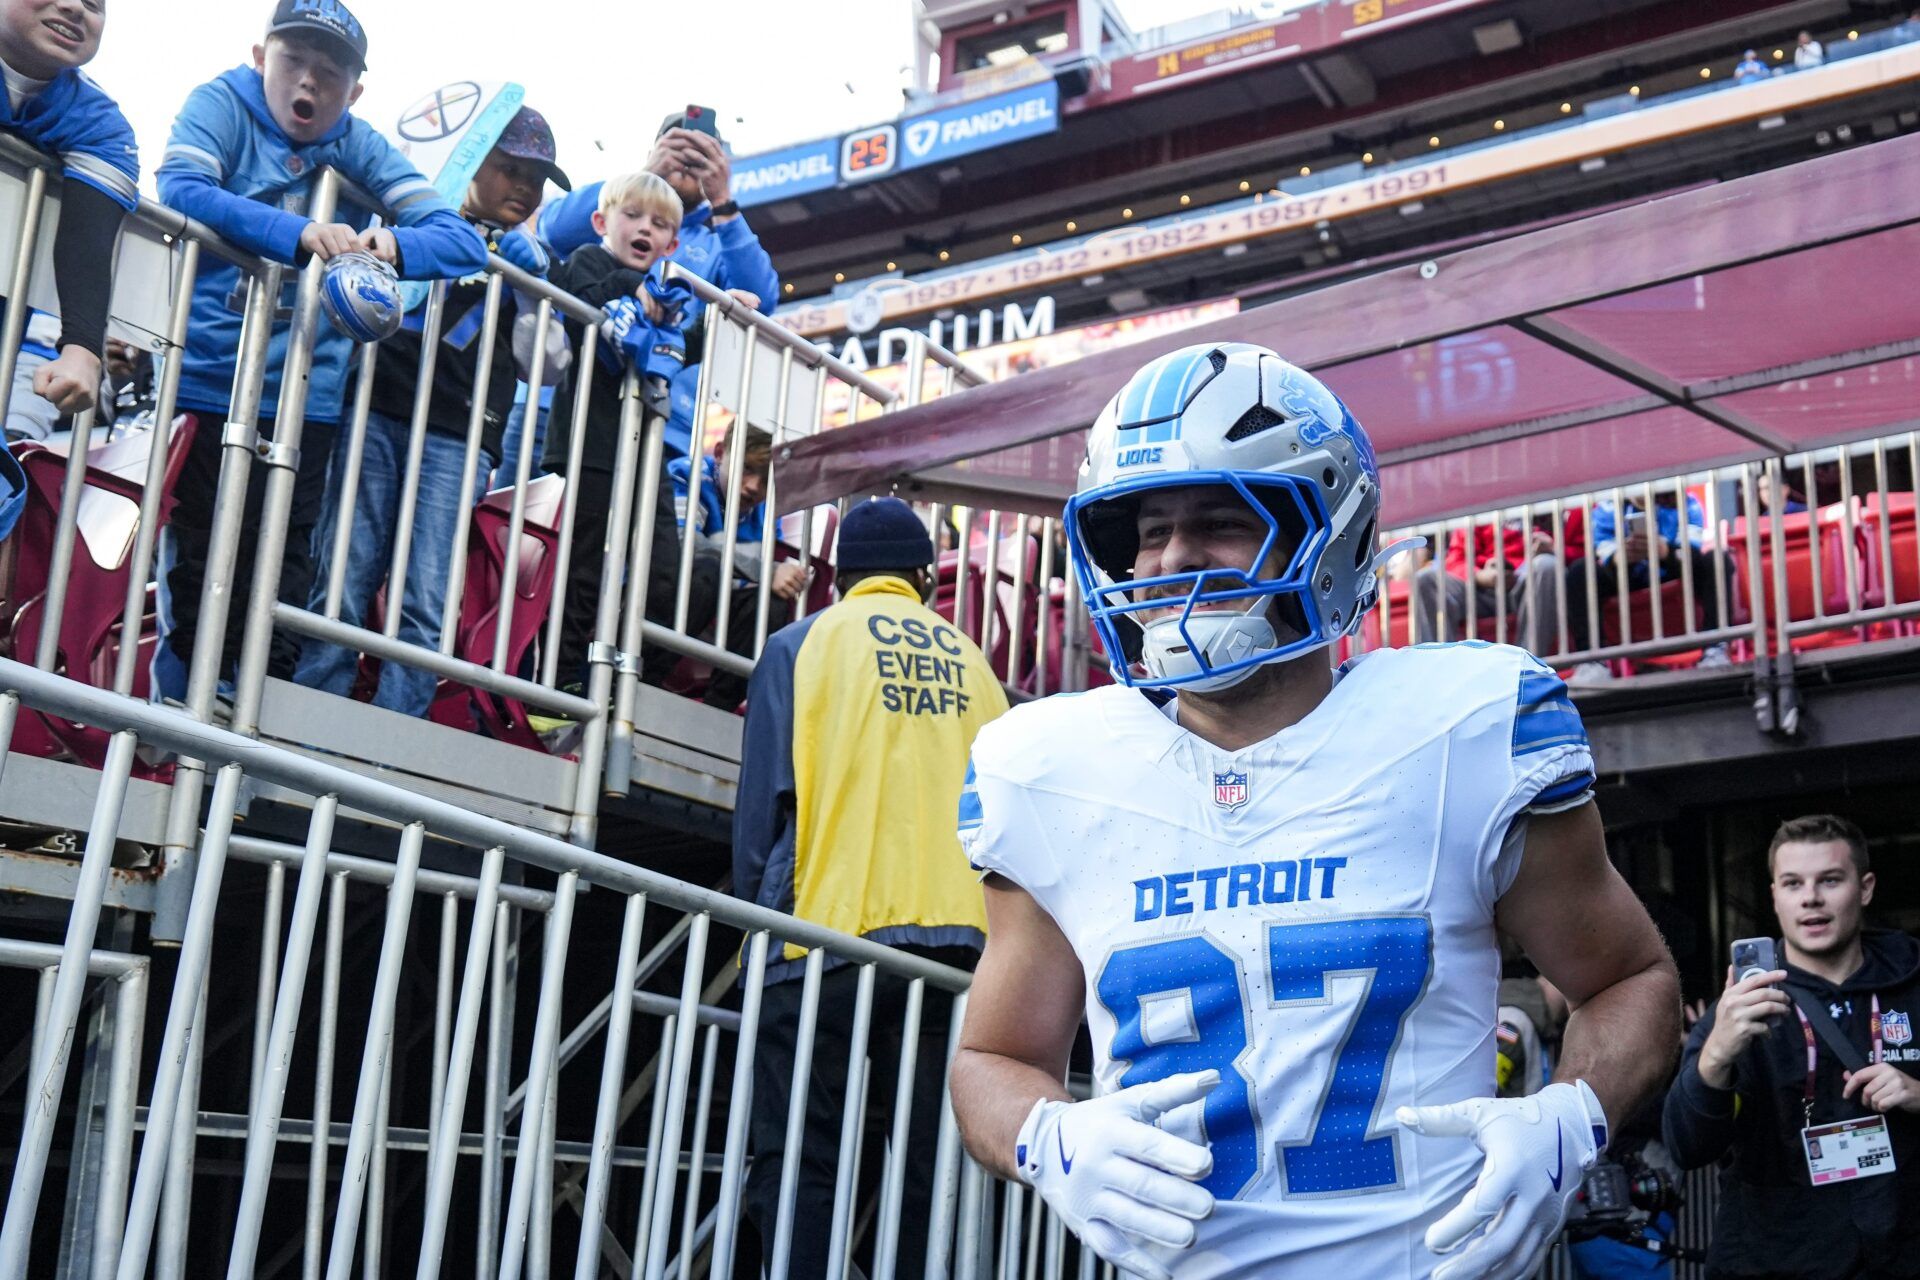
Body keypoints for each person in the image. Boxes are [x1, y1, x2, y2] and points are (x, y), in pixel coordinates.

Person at [949, 343, 1680, 1280]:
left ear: (1322, 533)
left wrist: (1571, 1117)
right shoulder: (1052, 769)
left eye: (1220, 520)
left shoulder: (1460, 731)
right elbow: (992, 1058)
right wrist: (1046, 1138)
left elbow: (1630, 980)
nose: (1173, 558)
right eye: (1146, 529)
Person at [150, 0, 488, 704]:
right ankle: (178, 714)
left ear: (355, 91)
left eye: (328, 72)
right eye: (293, 60)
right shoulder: (219, 102)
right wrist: (299, 231)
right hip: (210, 379)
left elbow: (459, 240)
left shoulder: (357, 141)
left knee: (284, 560)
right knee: (198, 550)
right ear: (259, 57)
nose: (308, 82)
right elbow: (182, 186)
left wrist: (390, 242)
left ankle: (253, 715)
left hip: (313, 396)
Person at [732, 495, 1008, 1280]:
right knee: (929, 1167)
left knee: (799, 1151)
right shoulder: (974, 663)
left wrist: (758, 919)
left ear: (838, 578)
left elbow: (765, 805)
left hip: (827, 929)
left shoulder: (801, 644)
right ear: (924, 577)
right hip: (956, 948)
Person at [294, 105, 567, 717]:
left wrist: (528, 294)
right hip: (373, 413)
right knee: (342, 571)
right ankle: (314, 715)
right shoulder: (410, 220)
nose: (525, 188)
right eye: (512, 169)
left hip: (461, 440)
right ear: (472, 161)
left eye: (538, 179)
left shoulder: (530, 260)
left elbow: (546, 367)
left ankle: (396, 734)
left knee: (426, 595)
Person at [1664, 814, 1920, 1279]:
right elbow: (1687, 1147)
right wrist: (1716, 1055)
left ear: (1864, 889)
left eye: (1830, 880)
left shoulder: (1913, 985)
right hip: (1775, 1261)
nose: (1811, 898)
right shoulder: (1742, 1008)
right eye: (1793, 883)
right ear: (1775, 898)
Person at [533, 112, 780, 460]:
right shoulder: (618, 208)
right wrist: (647, 176)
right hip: (554, 402)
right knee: (519, 513)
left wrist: (723, 201)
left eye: (702, 155)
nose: (687, 163)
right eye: (677, 149)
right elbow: (553, 230)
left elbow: (762, 300)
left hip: (657, 418)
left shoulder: (715, 241)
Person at [534, 170, 688, 718]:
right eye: (633, 216)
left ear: (673, 243)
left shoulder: (669, 290)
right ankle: (556, 688)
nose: (645, 229)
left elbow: (689, 340)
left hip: (647, 457)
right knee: (581, 575)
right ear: (602, 222)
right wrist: (640, 289)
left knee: (666, 576)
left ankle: (630, 679)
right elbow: (584, 300)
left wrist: (721, 304)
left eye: (661, 224)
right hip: (589, 449)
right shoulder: (590, 264)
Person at [0, 0, 139, 429]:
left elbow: (87, 243)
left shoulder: (99, 120)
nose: (74, 7)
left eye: (94, 3)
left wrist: (82, 348)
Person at [664, 422, 807, 710]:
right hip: (657, 598)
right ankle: (643, 679)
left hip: (716, 614)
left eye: (767, 479)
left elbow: (763, 580)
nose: (754, 487)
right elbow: (682, 547)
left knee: (771, 604)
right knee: (707, 572)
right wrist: (767, 572)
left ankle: (717, 710)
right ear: (719, 453)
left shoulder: (767, 513)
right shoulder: (687, 475)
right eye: (746, 468)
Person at [1564, 491, 1731, 682]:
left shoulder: (1687, 502)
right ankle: (1592, 661)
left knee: (1717, 559)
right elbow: (1603, 551)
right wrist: (1621, 558)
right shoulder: (1607, 508)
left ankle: (1715, 649)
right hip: (1627, 577)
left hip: (1675, 571)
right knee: (1580, 571)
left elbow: (1691, 552)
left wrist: (1665, 551)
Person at [1413, 510, 1585, 657]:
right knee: (1425, 578)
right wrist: (1480, 576)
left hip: (1532, 585)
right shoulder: (1482, 498)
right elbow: (1456, 559)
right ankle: (1441, 671)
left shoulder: (1561, 497)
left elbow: (1585, 553)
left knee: (1547, 565)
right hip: (1481, 588)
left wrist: (1554, 549)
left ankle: (1527, 669)